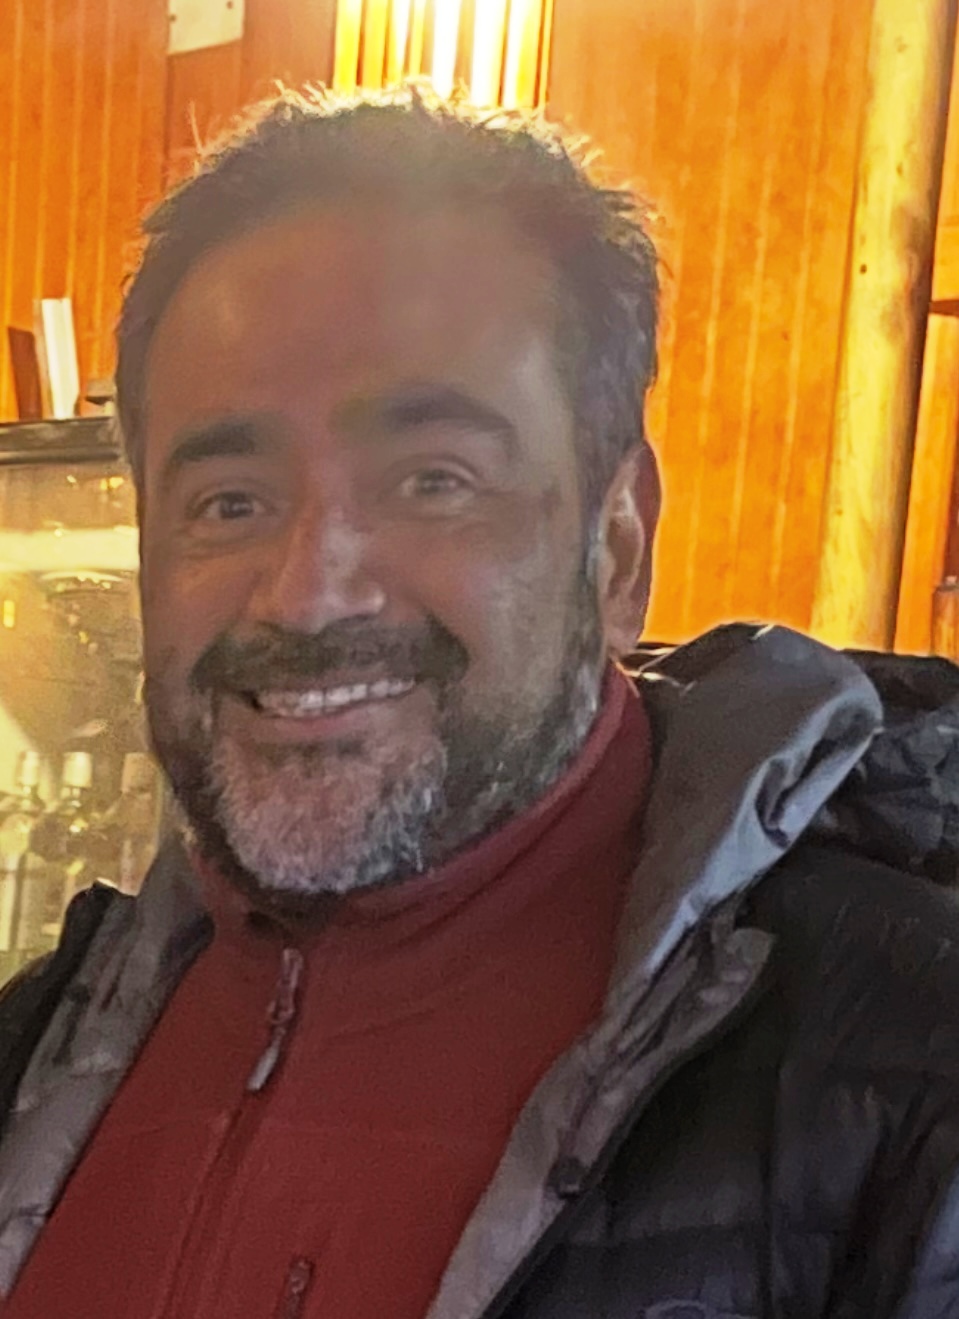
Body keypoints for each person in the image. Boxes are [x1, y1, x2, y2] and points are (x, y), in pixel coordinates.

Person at [0, 84, 957, 1319]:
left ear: (616, 548)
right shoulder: (34, 1051)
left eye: (431, 480)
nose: (307, 594)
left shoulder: (908, 1094)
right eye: (230, 501)